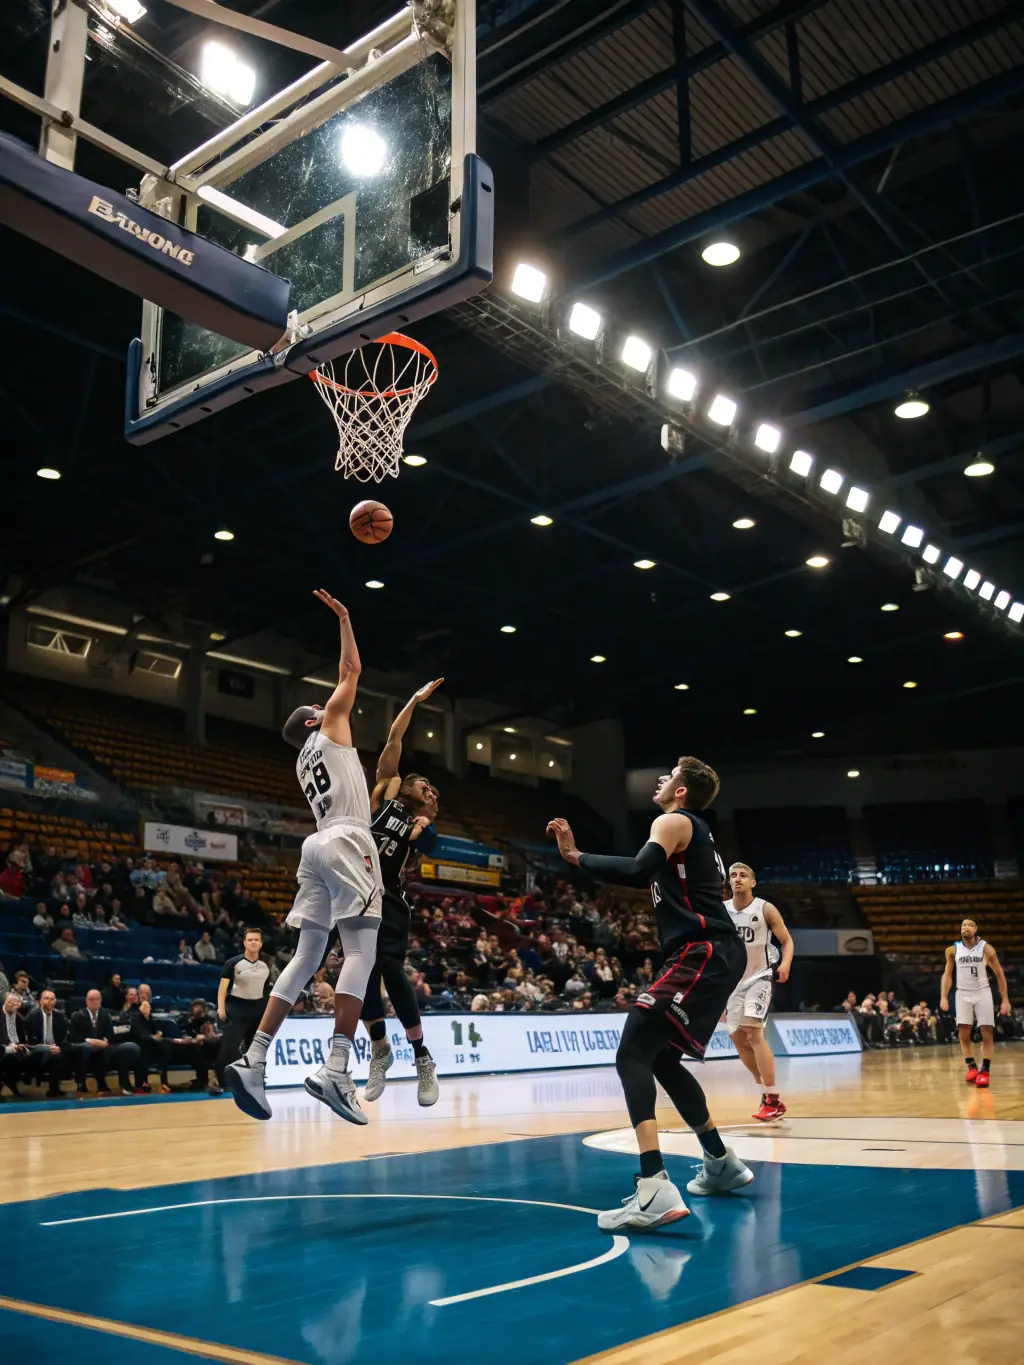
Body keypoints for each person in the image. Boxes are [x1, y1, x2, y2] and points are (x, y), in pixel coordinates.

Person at [547, 756, 752, 1232]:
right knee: (660, 1059)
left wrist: (577, 857)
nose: (660, 780)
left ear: (681, 792)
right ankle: (720, 1162)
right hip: (709, 952)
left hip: (702, 950)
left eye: (670, 777)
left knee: (632, 1053)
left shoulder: (674, 820)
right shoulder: (691, 828)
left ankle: (654, 1186)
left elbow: (640, 867)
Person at [225, 589, 382, 1123]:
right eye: (319, 706)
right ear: (315, 722)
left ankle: (254, 1057)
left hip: (314, 847)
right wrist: (344, 618)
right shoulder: (331, 727)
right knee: (361, 952)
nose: (328, 702)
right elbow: (352, 668)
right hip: (348, 838)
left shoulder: (302, 761)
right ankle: (336, 1069)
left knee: (306, 956)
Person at [360, 679, 444, 1107]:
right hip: (355, 893)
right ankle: (379, 1050)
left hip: (389, 898)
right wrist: (413, 700)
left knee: (390, 967)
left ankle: (422, 1057)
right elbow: (395, 736)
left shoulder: (421, 826)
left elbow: (430, 848)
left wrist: (424, 831)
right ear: (408, 785)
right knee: (357, 978)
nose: (433, 794)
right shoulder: (387, 791)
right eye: (427, 787)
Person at [724, 862, 794, 1122]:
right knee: (738, 1039)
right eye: (733, 875)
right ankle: (764, 1085)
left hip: (760, 976)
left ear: (753, 882)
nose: (738, 879)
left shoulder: (765, 908)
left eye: (743, 875)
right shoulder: (722, 911)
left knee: (753, 1032)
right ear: (729, 882)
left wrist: (785, 964)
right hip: (732, 982)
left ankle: (772, 1098)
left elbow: (786, 941)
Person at [939, 918, 1011, 1088]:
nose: (966, 927)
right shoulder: (952, 950)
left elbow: (1000, 974)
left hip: (982, 991)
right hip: (962, 992)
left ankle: (984, 1070)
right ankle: (971, 1067)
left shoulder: (986, 949)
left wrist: (1005, 999)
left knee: (987, 1031)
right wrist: (943, 996)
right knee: (964, 1032)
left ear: (976, 930)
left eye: (970, 925)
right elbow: (947, 975)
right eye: (963, 925)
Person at [215, 928, 271, 1092]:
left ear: (261, 943)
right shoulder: (233, 963)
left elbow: (265, 990)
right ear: (244, 942)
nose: (253, 942)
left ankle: (255, 1081)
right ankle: (223, 1082)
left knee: (255, 1050)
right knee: (229, 1047)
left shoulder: (265, 966)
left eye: (256, 940)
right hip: (237, 1008)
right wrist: (221, 1009)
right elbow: (222, 988)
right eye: (250, 939)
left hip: (258, 1009)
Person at [67, 988, 141, 1096]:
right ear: (86, 1001)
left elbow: (110, 1035)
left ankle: (124, 1084)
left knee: (131, 1047)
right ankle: (84, 1084)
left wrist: (106, 1041)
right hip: (85, 1048)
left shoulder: (105, 1014)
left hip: (105, 1048)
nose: (94, 1002)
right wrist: (91, 1041)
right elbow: (73, 1037)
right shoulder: (78, 1016)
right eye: (92, 999)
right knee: (86, 1048)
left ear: (100, 1001)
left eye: (97, 999)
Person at [24, 989, 69, 1097]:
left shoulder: (60, 1017)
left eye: (52, 999)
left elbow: (63, 1038)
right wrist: (46, 1048)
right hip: (37, 1051)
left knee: (65, 1052)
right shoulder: (31, 1017)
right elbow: (29, 1042)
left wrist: (57, 1048)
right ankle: (53, 1088)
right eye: (47, 998)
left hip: (56, 1050)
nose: (50, 1001)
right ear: (39, 1001)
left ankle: (55, 1090)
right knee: (53, 1055)